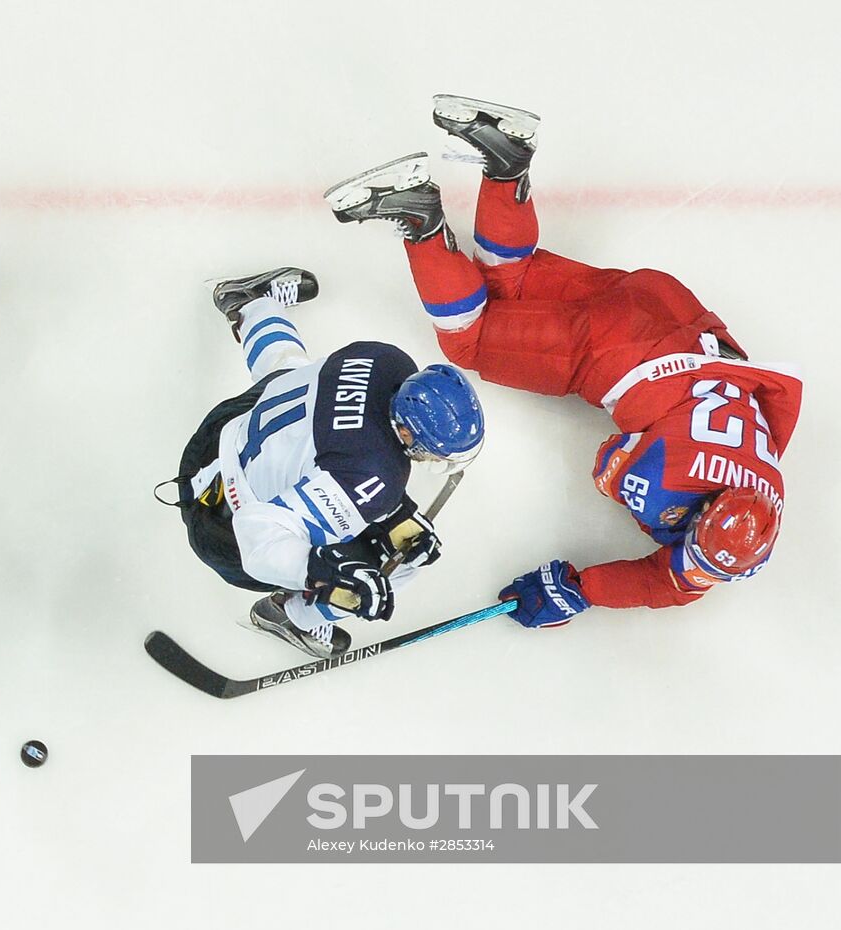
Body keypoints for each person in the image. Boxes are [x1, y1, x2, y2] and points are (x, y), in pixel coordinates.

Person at [325, 96, 802, 629]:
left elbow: (681, 575)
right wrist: (577, 590)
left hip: (675, 313)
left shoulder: (768, 491)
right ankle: (418, 215)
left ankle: (507, 162)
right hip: (618, 349)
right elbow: (611, 472)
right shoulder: (668, 482)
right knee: (470, 340)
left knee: (513, 283)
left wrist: (591, 587)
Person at [163, 266, 484, 657]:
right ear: (405, 432)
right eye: (431, 452)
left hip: (222, 432)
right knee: (389, 571)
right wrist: (325, 572)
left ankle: (251, 306)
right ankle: (290, 616)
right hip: (218, 524)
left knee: (292, 374)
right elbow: (258, 537)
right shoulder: (373, 475)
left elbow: (341, 446)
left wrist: (392, 514)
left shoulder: (386, 361)